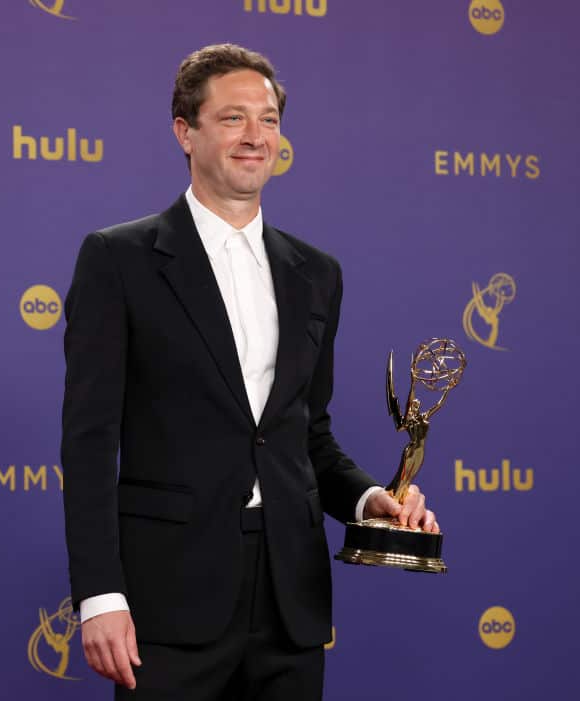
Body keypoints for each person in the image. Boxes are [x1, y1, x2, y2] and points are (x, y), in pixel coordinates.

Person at [61, 43, 438, 701]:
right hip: (168, 601)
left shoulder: (316, 274)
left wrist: (367, 499)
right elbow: (89, 444)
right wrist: (99, 593)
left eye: (268, 119)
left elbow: (305, 434)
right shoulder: (118, 259)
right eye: (233, 118)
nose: (255, 136)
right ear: (186, 131)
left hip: (289, 600)